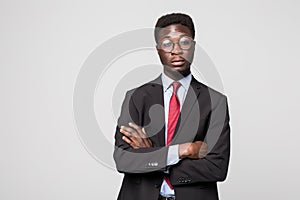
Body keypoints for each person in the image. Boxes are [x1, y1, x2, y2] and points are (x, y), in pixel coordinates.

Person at [113, 13, 230, 200]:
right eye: (167, 44)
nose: (176, 50)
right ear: (158, 49)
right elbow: (124, 160)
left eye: (184, 42)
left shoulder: (215, 102)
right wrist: (183, 150)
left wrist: (153, 156)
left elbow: (217, 167)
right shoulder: (135, 97)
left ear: (193, 47)